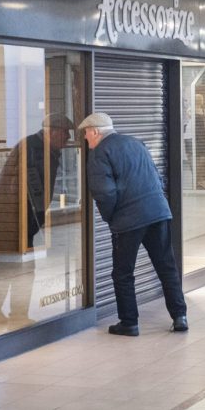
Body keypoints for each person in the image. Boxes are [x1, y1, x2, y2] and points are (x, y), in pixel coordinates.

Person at [79, 112, 187, 337]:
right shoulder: (136, 143)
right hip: (158, 212)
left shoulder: (99, 153)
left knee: (123, 272)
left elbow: (104, 192)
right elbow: (155, 176)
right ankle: (180, 317)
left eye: (86, 133)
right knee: (166, 266)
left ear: (96, 132)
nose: (85, 138)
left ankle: (129, 322)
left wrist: (111, 218)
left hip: (129, 221)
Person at [0, 113, 73, 326]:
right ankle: (15, 314)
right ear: (51, 132)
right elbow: (29, 189)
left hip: (18, 215)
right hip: (12, 215)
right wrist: (31, 221)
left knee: (8, 264)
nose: (67, 138)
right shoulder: (33, 149)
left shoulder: (42, 148)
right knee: (20, 265)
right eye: (64, 133)